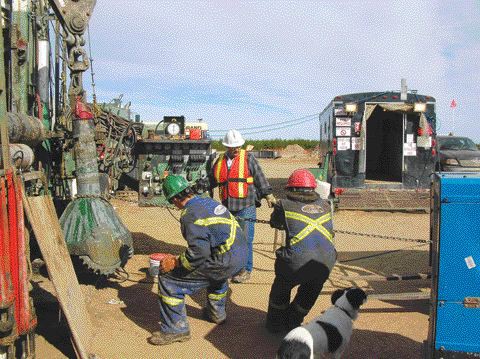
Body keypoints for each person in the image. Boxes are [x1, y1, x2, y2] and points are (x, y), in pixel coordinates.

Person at [148, 175, 247, 346]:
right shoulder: (207, 202)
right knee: (215, 272)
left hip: (224, 260)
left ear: (174, 199)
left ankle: (175, 330)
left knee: (168, 280)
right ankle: (217, 314)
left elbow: (198, 253)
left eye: (172, 201)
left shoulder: (190, 214)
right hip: (240, 255)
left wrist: (177, 262)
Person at [265, 169, 337, 333]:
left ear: (291, 189)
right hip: (326, 263)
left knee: (281, 287)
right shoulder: (326, 205)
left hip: (295, 263)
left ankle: (275, 324)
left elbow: (275, 223)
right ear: (313, 189)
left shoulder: (284, 205)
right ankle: (293, 321)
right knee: (310, 290)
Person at [210, 129, 276, 283]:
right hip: (227, 206)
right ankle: (231, 268)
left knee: (246, 240)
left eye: (238, 146)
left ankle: (245, 270)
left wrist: (268, 194)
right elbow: (211, 180)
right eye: (233, 147)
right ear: (227, 146)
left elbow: (260, 177)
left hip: (246, 205)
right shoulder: (219, 160)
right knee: (228, 239)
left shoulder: (248, 158)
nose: (236, 149)